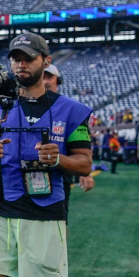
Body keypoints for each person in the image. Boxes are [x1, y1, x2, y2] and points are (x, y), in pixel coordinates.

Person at [0, 32, 93, 277]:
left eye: (29, 58)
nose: (21, 64)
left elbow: (85, 163)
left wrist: (58, 160)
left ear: (45, 61)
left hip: (44, 208)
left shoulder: (70, 111)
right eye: (16, 59)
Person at [43, 65, 94, 193]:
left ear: (58, 80)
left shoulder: (70, 109)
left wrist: (85, 173)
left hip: (59, 178)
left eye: (49, 77)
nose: (45, 81)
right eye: (42, 77)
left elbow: (80, 149)